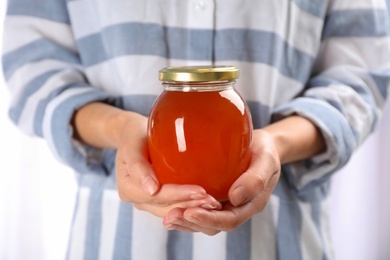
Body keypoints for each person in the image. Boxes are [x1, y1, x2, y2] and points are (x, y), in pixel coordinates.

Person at [2, 0, 390, 259]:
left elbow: (360, 76)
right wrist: (119, 128)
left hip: (279, 242)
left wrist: (276, 143)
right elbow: (33, 64)